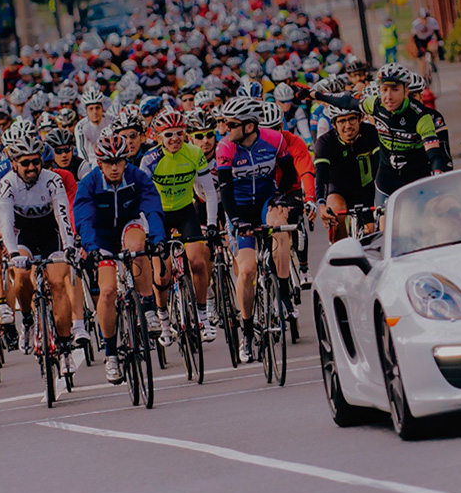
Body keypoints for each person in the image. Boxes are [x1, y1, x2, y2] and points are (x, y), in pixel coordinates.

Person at [212, 96, 306, 363]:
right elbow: (226, 191)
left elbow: (288, 174)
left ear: (250, 126)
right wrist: (237, 221)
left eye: (230, 124)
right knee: (248, 270)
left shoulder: (274, 140)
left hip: (266, 200)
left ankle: (285, 296)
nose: (224, 129)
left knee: (280, 229)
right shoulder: (225, 148)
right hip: (240, 209)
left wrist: (283, 197)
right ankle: (247, 332)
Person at [73, 132, 163, 384]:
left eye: (119, 161)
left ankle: (147, 306)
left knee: (138, 246)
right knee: (109, 291)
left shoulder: (136, 176)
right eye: (108, 163)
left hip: (128, 224)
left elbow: (152, 205)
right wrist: (91, 248)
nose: (115, 168)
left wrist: (158, 237)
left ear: (126, 160)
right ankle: (111, 354)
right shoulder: (89, 183)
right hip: (100, 236)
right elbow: (83, 218)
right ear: (99, 163)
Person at [0, 128, 78, 375]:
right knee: (21, 275)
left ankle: (64, 348)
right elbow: (5, 221)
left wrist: (69, 246)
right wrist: (11, 252)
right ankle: (28, 320)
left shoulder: (52, 179)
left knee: (57, 283)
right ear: (14, 164)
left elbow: (63, 216)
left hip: (51, 234)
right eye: (25, 163)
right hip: (24, 237)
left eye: (35, 162)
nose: (31, 167)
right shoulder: (8, 183)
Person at [139, 109, 219, 345]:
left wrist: (212, 224)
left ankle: (203, 315)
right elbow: (142, 199)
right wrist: (147, 232)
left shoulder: (194, 153)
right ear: (158, 137)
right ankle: (164, 320)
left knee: (197, 261)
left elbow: (210, 193)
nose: (175, 138)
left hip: (186, 211)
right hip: (158, 215)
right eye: (169, 134)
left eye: (179, 133)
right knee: (162, 274)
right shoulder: (149, 160)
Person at [315, 64, 450, 204]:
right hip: (386, 181)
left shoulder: (425, 117)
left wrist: (439, 177)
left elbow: (439, 154)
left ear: (406, 92)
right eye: (384, 90)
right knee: (382, 223)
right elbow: (348, 102)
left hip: (416, 177)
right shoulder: (376, 106)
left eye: (395, 90)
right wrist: (315, 95)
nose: (389, 96)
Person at [314, 105, 380, 243]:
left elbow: (381, 166)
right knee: (336, 212)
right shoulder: (325, 142)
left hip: (367, 189)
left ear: (360, 118)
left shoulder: (371, 133)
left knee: (373, 230)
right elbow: (321, 176)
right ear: (333, 124)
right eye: (342, 121)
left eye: (351, 119)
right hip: (339, 191)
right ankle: (342, 253)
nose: (348, 126)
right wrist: (321, 204)